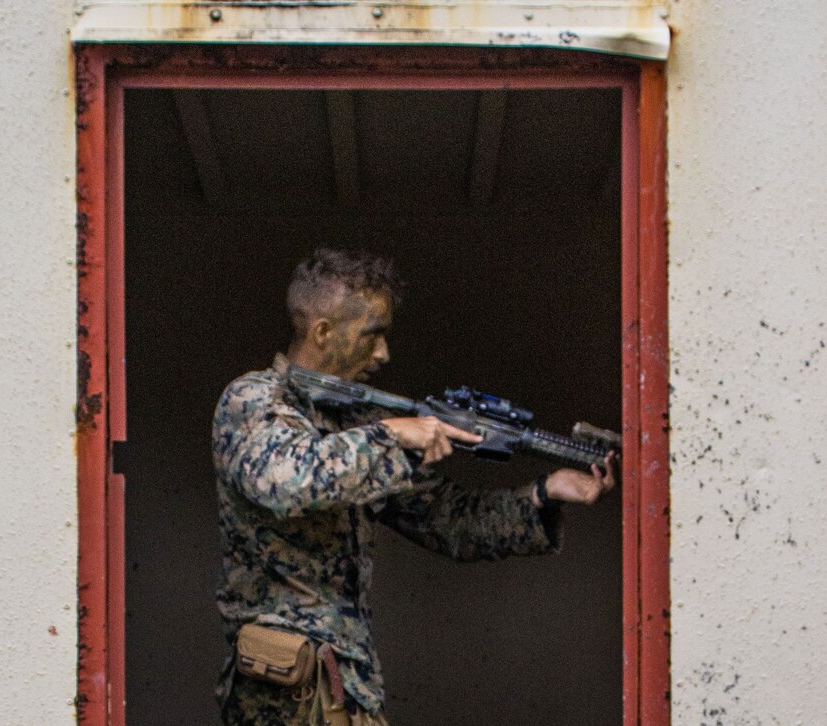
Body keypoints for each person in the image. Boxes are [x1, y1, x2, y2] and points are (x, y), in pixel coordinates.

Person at [212, 248, 616, 725]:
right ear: (323, 332)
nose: (384, 353)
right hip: (281, 687)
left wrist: (544, 492)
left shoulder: (357, 420)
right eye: (373, 334)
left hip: (344, 684)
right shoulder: (253, 400)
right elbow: (287, 482)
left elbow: (451, 520)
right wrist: (393, 434)